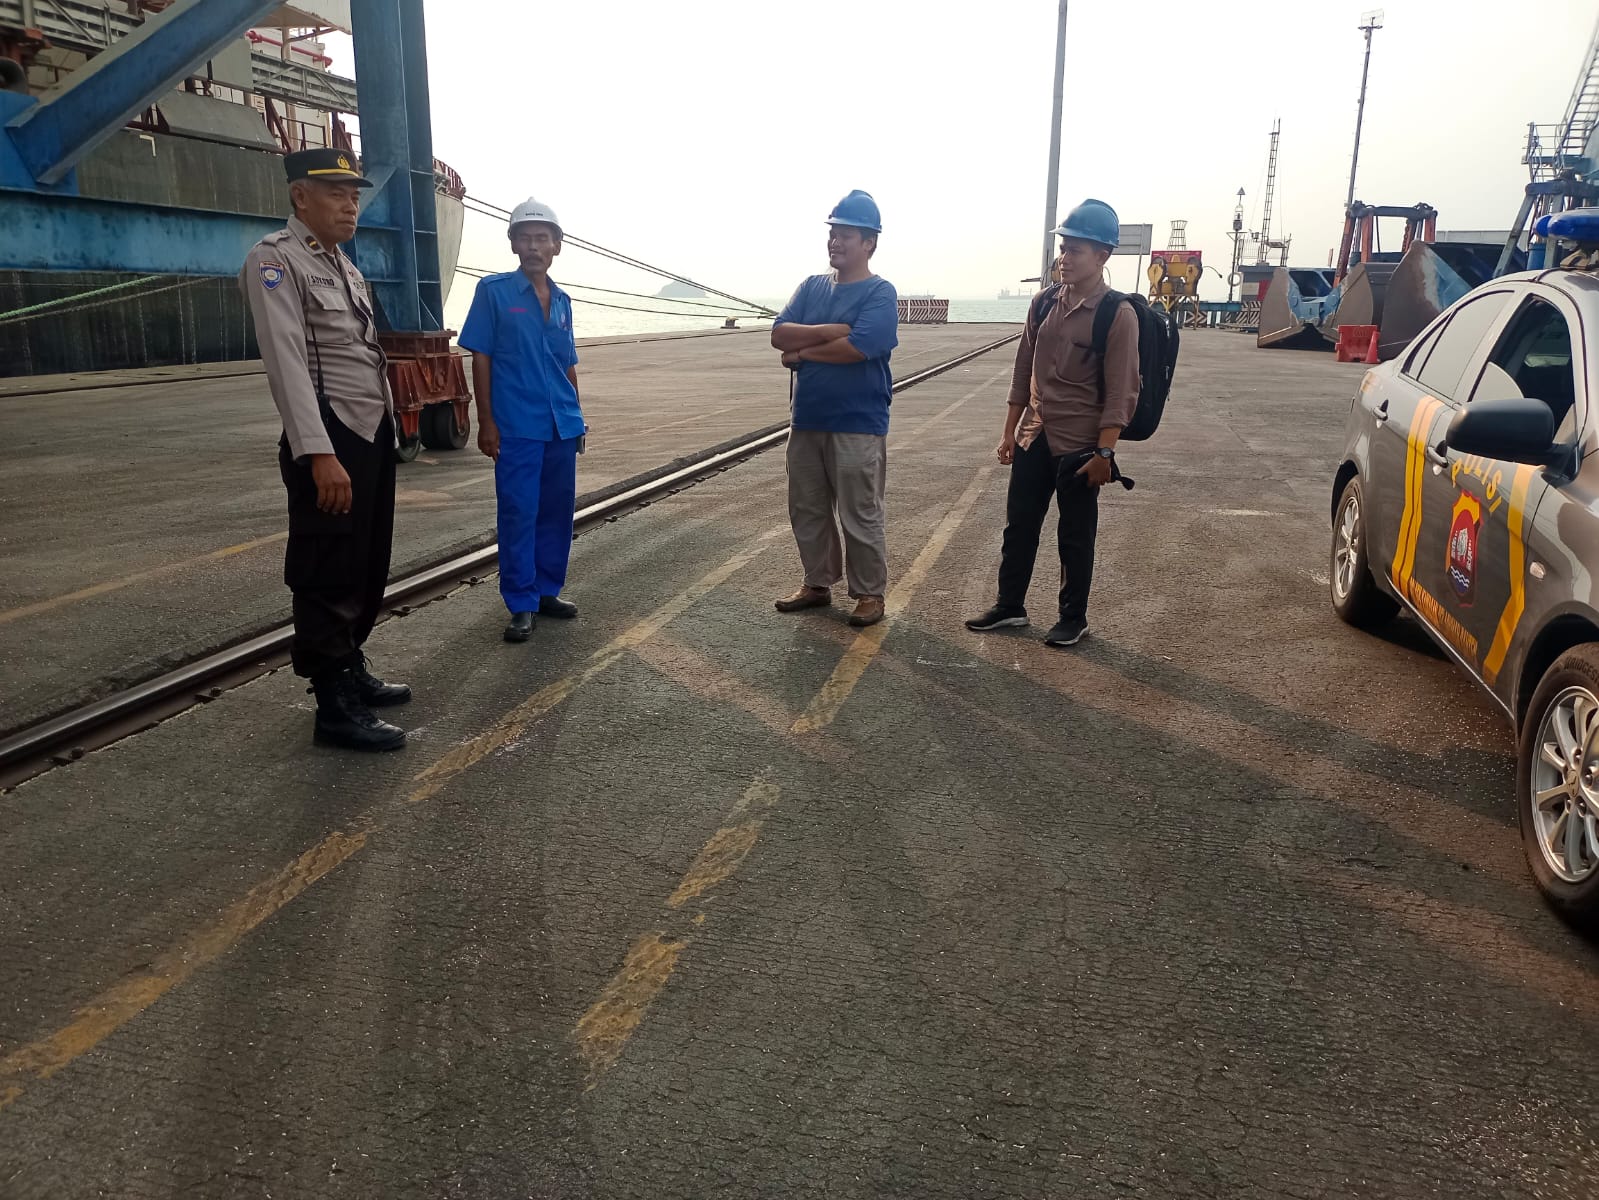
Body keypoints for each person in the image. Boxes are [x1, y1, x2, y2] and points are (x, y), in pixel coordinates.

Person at [240, 147, 410, 752]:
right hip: (330, 436)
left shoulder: (345, 267)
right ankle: (333, 703)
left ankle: (350, 662)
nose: (350, 205)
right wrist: (317, 453)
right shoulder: (275, 260)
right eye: (336, 193)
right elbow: (286, 361)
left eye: (354, 195)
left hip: (368, 432)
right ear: (300, 196)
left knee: (365, 559)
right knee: (327, 565)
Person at [965, 198, 1139, 648]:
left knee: (1075, 536)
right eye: (1063, 248)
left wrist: (1105, 453)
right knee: (1019, 526)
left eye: (1075, 250)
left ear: (1102, 256)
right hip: (1034, 434)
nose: (1065, 258)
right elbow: (1022, 370)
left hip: (1081, 445)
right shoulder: (1043, 304)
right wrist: (1009, 431)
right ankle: (1010, 606)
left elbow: (1122, 392)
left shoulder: (1116, 315)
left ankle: (1072, 618)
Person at [769, 189, 900, 628]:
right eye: (833, 233)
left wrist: (803, 353)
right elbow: (779, 334)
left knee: (859, 511)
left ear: (869, 243)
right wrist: (831, 330)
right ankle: (817, 583)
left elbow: (859, 347)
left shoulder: (880, 292)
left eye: (845, 234)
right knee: (807, 507)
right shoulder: (811, 286)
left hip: (858, 422)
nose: (835, 241)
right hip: (807, 418)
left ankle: (869, 593)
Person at [457, 198, 585, 643]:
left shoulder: (564, 301)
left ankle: (547, 591)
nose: (534, 247)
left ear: (556, 246)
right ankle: (521, 602)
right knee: (519, 513)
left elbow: (568, 364)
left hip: (560, 426)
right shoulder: (493, 293)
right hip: (516, 425)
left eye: (542, 239)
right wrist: (486, 421)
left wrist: (577, 417)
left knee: (556, 513)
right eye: (525, 238)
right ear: (513, 244)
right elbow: (481, 357)